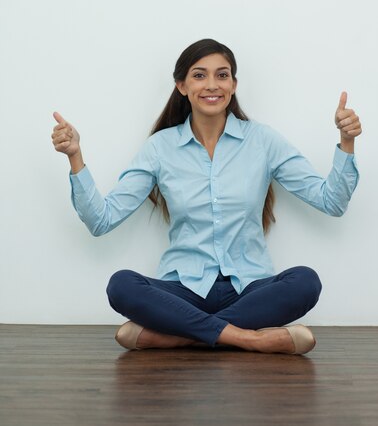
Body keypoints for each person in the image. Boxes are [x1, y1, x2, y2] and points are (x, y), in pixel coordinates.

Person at [51, 38, 361, 355]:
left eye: (222, 75)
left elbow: (331, 202)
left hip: (249, 288)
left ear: (234, 84)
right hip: (182, 289)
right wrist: (75, 156)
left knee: (305, 282)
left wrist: (346, 141)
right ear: (182, 86)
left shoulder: (262, 141)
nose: (211, 85)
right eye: (199, 75)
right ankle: (250, 339)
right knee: (122, 286)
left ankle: (179, 336)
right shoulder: (160, 147)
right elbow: (102, 220)